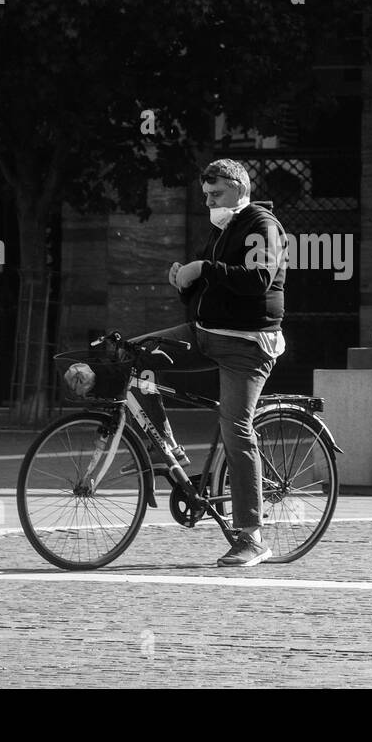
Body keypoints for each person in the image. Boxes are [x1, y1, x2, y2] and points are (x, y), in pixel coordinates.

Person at [130, 158, 287, 567]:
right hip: (206, 334)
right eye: (206, 196)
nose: (210, 202)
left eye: (216, 194)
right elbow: (208, 289)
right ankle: (173, 452)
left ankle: (251, 536)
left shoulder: (260, 224)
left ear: (238, 189)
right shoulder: (223, 230)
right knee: (132, 356)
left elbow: (257, 280)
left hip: (247, 345)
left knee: (236, 426)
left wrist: (204, 268)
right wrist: (184, 279)